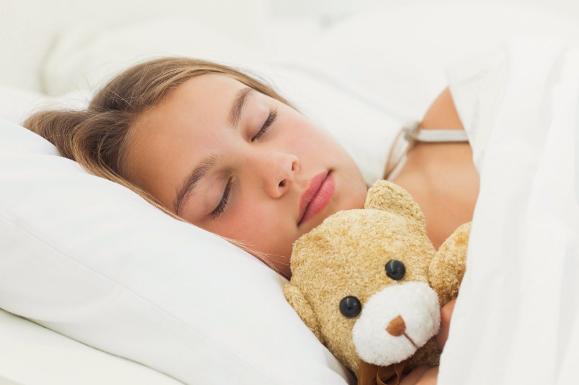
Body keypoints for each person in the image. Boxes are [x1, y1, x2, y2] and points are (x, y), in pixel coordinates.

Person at [23, 57, 478, 385]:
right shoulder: (387, 360)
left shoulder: (462, 115)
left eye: (262, 124)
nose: (280, 168)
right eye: (220, 196)